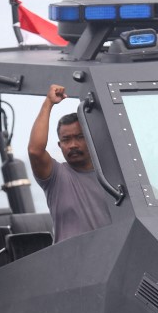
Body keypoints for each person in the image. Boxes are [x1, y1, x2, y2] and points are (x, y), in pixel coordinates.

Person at [28, 84, 113, 242]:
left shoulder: (113, 178)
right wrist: (48, 102)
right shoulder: (55, 176)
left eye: (79, 137)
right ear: (60, 145)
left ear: (91, 139)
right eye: (66, 140)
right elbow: (35, 151)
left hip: (114, 254)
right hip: (71, 257)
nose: (73, 145)